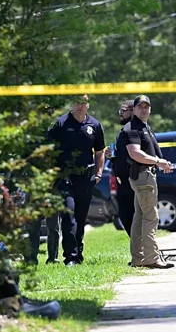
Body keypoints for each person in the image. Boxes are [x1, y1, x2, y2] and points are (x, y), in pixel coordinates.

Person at [48, 95, 106, 266]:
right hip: (65, 177)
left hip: (86, 177)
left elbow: (100, 151)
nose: (80, 106)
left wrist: (99, 173)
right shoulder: (61, 124)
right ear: (72, 104)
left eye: (83, 103)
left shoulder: (94, 125)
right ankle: (70, 257)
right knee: (69, 214)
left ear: (88, 105)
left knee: (80, 218)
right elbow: (49, 151)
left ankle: (78, 253)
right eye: (77, 102)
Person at [125, 95, 175, 269]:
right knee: (151, 217)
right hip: (143, 177)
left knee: (140, 217)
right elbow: (135, 153)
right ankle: (152, 258)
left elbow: (149, 151)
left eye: (147, 106)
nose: (144, 109)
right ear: (134, 109)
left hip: (146, 175)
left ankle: (138, 258)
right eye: (140, 107)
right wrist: (157, 161)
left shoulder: (145, 127)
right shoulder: (132, 128)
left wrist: (161, 164)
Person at [107, 100, 136, 236]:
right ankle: (137, 252)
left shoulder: (135, 130)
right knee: (126, 218)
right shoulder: (123, 131)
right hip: (122, 182)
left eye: (123, 111)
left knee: (134, 219)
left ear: (133, 111)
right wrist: (112, 156)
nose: (120, 114)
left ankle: (141, 252)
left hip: (133, 181)